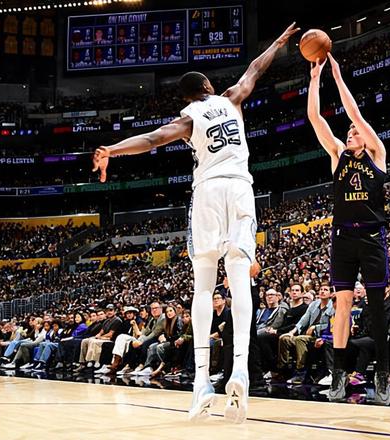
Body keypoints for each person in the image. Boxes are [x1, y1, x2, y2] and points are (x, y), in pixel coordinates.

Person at [91, 23, 299, 424]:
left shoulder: (188, 118)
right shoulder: (231, 98)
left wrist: (112, 150)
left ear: (187, 97)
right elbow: (255, 70)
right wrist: (276, 42)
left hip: (207, 192)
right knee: (239, 279)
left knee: (203, 285)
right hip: (239, 187)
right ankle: (240, 369)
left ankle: (202, 380)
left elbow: (153, 139)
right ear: (207, 85)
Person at [307, 53, 390, 405]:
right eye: (349, 132)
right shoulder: (337, 155)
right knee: (342, 305)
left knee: (375, 307)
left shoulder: (377, 154)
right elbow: (315, 119)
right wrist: (315, 80)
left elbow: (355, 114)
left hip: (372, 237)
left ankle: (383, 375)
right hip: (343, 238)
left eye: (355, 131)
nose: (351, 132)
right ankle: (339, 374)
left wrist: (338, 78)